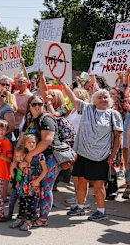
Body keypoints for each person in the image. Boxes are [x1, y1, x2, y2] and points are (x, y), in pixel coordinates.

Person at [64, 87, 123, 221]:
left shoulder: (114, 115)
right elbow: (72, 98)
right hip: (83, 153)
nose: (103, 99)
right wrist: (62, 82)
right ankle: (80, 207)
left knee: (98, 185)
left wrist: (112, 156)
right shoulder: (87, 108)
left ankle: (101, 211)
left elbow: (118, 137)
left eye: (105, 97)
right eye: (100, 97)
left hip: (100, 155)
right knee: (81, 182)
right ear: (93, 100)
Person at [16, 86, 60, 228]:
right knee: (33, 188)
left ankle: (43, 218)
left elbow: (47, 140)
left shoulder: (46, 119)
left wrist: (30, 154)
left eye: (40, 104)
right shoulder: (29, 120)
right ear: (29, 106)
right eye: (34, 104)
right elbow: (22, 140)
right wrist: (20, 158)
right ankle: (31, 216)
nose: (37, 106)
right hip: (31, 160)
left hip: (48, 159)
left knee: (45, 188)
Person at [10, 135, 48, 231]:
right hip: (24, 183)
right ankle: (20, 219)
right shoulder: (24, 154)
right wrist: (20, 165)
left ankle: (28, 222)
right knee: (22, 202)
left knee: (31, 203)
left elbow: (45, 170)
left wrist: (38, 180)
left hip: (33, 183)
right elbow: (19, 167)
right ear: (25, 145)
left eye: (33, 142)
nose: (31, 144)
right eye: (29, 142)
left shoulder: (40, 156)